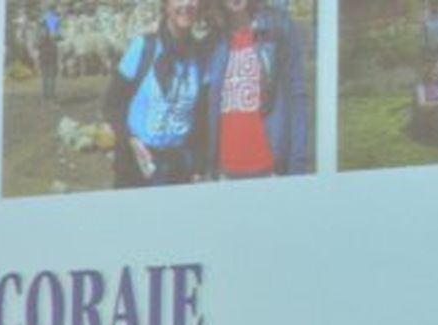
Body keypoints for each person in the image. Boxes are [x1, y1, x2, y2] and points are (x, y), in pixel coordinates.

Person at [104, 0, 208, 187]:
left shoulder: (201, 55)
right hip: (136, 165)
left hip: (179, 169)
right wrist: (130, 139)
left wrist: (198, 166)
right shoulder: (143, 48)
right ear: (166, 5)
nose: (187, 4)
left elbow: (202, 117)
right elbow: (112, 104)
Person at [202, 0, 311, 178]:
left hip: (270, 169)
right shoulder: (213, 42)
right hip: (226, 172)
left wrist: (298, 164)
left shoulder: (279, 29)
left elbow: (297, 96)